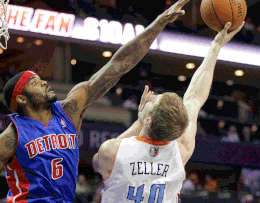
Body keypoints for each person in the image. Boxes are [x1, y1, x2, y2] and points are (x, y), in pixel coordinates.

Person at [0, 0, 194, 202]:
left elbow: (118, 64)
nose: (44, 82)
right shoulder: (9, 138)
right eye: (34, 82)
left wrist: (160, 22)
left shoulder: (69, 110)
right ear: (21, 98)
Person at [92, 11, 245, 203]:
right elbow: (195, 98)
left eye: (154, 100)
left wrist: (138, 123)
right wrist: (216, 46)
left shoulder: (111, 152)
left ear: (148, 119)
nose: (153, 96)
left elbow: (97, 161)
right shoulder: (181, 151)